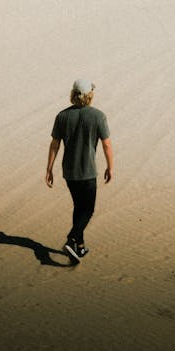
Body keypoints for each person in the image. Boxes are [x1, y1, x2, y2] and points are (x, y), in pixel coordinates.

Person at [45, 78, 113, 262]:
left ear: (73, 94)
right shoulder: (98, 116)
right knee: (88, 209)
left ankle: (79, 248)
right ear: (90, 95)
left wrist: (49, 169)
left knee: (79, 206)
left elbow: (54, 145)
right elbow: (107, 145)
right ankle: (72, 238)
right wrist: (110, 167)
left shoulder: (62, 116)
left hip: (69, 171)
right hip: (88, 172)